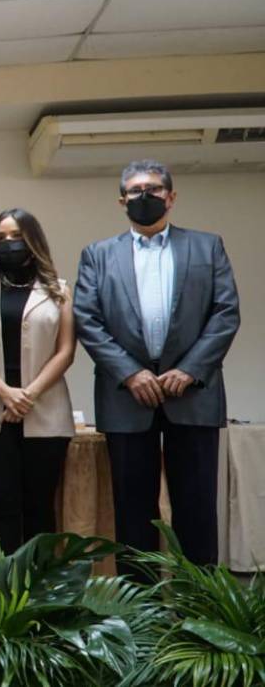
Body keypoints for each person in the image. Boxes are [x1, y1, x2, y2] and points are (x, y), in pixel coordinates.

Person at [74, 160, 239, 576]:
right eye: (134, 190)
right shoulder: (97, 254)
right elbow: (87, 320)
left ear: (171, 196)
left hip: (193, 394)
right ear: (121, 200)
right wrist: (130, 373)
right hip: (126, 398)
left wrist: (190, 370)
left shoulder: (207, 246)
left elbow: (225, 313)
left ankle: (199, 606)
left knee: (197, 506)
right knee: (132, 509)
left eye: (152, 189)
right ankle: (142, 613)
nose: (143, 196)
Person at [0, 209, 76, 556]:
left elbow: (67, 350)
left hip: (46, 411)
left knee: (40, 509)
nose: (8, 244)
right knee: (4, 507)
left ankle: (42, 594)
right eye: (0, 239)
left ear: (33, 240)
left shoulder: (59, 291)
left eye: (15, 237)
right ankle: (6, 595)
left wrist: (28, 395)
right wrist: (5, 393)